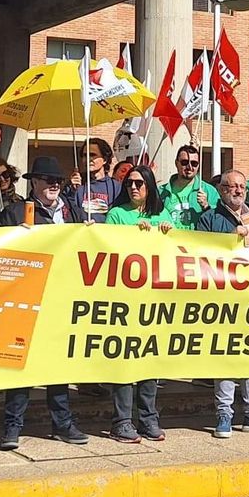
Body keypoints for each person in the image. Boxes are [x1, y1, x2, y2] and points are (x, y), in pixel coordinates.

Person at [0, 156, 87, 450]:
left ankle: (63, 423)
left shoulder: (72, 211)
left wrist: (88, 231)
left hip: (60, 298)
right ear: (34, 182)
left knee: (57, 366)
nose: (54, 185)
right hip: (26, 297)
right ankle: (12, 426)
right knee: (20, 365)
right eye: (48, 180)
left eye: (58, 181)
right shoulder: (15, 212)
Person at [194, 171, 249, 438]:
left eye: (242, 186)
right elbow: (201, 253)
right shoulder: (208, 218)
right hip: (222, 300)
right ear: (221, 190)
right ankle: (224, 414)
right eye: (231, 186)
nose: (238, 190)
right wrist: (232, 237)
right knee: (225, 357)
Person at [99, 165, 167, 443]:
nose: (133, 188)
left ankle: (149, 419)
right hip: (125, 300)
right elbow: (107, 249)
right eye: (129, 184)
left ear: (150, 186)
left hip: (152, 300)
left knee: (149, 361)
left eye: (139, 183)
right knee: (125, 362)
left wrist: (167, 233)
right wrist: (134, 236)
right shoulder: (117, 214)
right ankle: (122, 421)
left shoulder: (162, 215)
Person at [159, 145, 217, 229]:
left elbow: (218, 223)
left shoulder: (210, 191)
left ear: (198, 166)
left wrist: (206, 206)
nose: (189, 167)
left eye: (194, 163)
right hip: (169, 237)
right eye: (185, 162)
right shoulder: (161, 192)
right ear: (176, 163)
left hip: (197, 237)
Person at [77, 138, 120, 223]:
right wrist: (71, 190)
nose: (88, 159)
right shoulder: (77, 183)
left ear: (105, 159)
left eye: (92, 155)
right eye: (85, 155)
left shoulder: (116, 187)